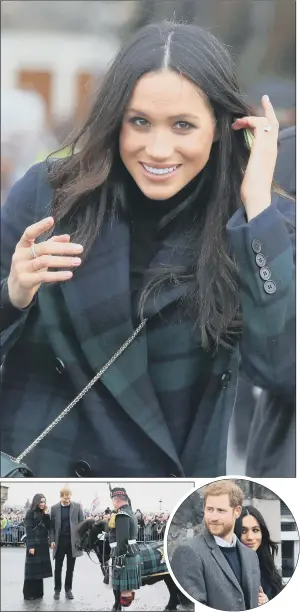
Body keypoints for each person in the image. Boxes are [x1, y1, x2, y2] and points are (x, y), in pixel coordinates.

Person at [0, 21, 295, 479]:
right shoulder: (48, 196)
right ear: (116, 119)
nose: (158, 149)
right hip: (43, 480)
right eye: (139, 122)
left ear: (219, 127)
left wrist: (257, 204)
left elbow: (280, 370)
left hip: (168, 501)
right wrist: (13, 294)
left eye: (182, 125)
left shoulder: (252, 222)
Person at [170, 481, 261, 610]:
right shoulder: (188, 552)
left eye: (221, 511)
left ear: (237, 511)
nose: (213, 517)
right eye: (210, 509)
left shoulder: (251, 556)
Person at [234, 505, 284, 604]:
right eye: (243, 531)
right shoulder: (227, 568)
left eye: (255, 530)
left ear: (262, 533)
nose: (250, 537)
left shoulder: (268, 569)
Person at [50, 486, 84, 600]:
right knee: (57, 568)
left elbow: (82, 525)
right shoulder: (54, 508)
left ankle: (68, 590)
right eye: (65, 498)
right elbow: (51, 528)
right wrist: (52, 540)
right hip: (59, 542)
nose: (68, 500)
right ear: (61, 497)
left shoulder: (78, 507)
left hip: (72, 543)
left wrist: (80, 540)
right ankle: (57, 590)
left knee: (70, 568)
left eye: (69, 498)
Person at [109, 487, 141, 608]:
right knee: (128, 593)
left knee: (125, 596)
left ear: (116, 500)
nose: (113, 504)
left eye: (113, 501)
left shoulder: (122, 514)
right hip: (132, 553)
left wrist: (119, 562)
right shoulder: (130, 512)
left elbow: (122, 541)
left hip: (125, 556)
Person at [23, 493, 52, 601]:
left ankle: (38, 593)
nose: (42, 504)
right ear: (36, 502)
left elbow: (49, 526)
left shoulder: (44, 513)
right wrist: (30, 546)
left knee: (39, 570)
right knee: (31, 571)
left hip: (42, 544)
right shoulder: (30, 513)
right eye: (41, 502)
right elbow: (29, 530)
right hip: (33, 544)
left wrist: (46, 514)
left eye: (44, 502)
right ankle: (29, 594)